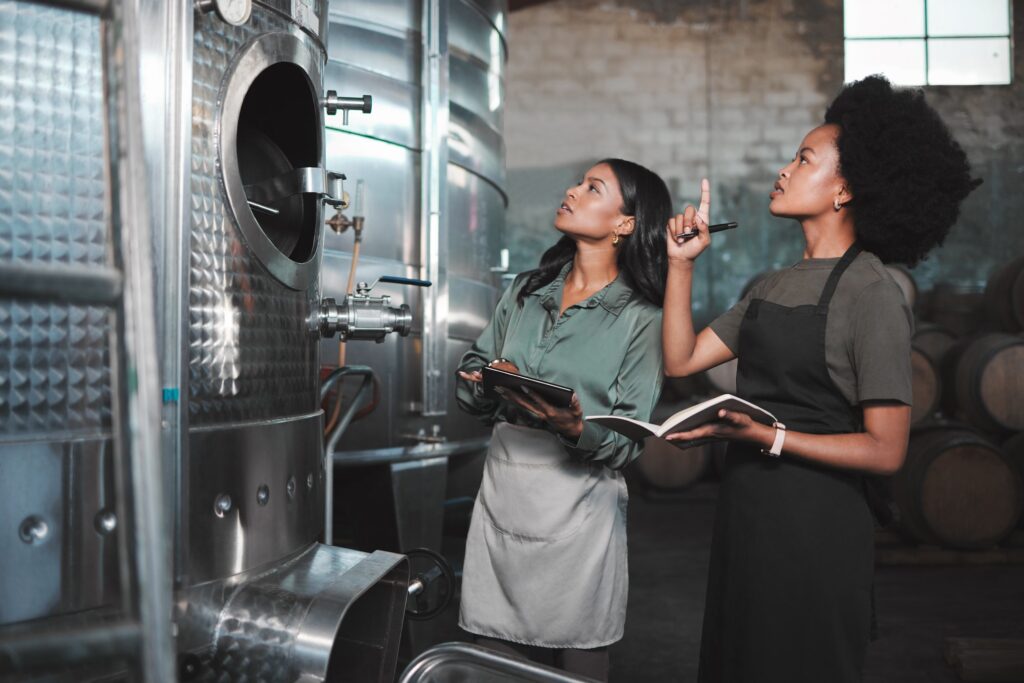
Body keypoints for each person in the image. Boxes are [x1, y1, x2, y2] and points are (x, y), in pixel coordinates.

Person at [661, 75, 980, 683]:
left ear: (845, 189)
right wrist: (681, 268)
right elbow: (680, 360)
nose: (784, 169)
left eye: (803, 158)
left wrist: (770, 438)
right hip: (747, 511)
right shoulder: (769, 286)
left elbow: (886, 450)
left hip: (817, 524)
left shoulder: (873, 294)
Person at [454, 158, 672, 680]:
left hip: (579, 506)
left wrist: (573, 426)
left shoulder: (643, 318)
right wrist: (487, 380)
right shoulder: (527, 292)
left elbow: (629, 436)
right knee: (488, 647)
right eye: (577, 183)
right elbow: (472, 372)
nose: (572, 191)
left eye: (592, 188)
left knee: (580, 645)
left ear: (625, 224)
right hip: (505, 486)